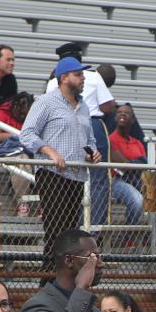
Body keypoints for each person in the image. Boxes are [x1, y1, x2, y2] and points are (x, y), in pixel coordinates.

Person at [19, 56, 100, 247]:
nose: (83, 78)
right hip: (52, 174)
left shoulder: (84, 107)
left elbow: (90, 140)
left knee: (70, 232)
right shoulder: (45, 102)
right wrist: (50, 152)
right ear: (64, 77)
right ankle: (49, 276)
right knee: (55, 230)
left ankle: (62, 275)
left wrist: (93, 153)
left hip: (77, 176)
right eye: (78, 74)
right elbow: (27, 134)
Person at [47, 43, 119, 229]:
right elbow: (107, 106)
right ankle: (95, 225)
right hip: (92, 124)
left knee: (70, 175)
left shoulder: (53, 81)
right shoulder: (94, 76)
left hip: (61, 128)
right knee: (99, 178)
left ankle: (74, 225)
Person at [105, 102, 148, 240]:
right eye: (119, 112)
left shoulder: (137, 143)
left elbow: (144, 164)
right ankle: (128, 237)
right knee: (137, 201)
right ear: (115, 118)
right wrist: (135, 163)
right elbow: (121, 164)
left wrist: (130, 164)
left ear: (133, 120)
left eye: (127, 113)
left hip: (136, 180)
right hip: (116, 181)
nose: (122, 114)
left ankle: (151, 239)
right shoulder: (110, 139)